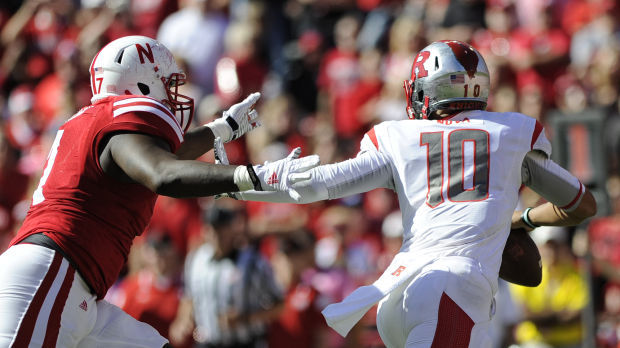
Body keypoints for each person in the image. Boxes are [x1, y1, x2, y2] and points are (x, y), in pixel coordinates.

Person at [228, 40, 597, 347]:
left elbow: (319, 184)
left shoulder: (398, 136)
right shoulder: (512, 133)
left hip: (398, 294)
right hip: (454, 291)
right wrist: (524, 219)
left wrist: (231, 183)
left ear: (428, 91)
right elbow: (581, 204)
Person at [0, 35, 319, 348]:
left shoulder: (99, 124)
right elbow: (164, 174)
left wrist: (223, 129)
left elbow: (163, 157)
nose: (173, 94)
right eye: (167, 82)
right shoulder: (118, 125)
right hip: (52, 274)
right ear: (139, 84)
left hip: (74, 286)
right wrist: (256, 175)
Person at [170, 203, 284, 348]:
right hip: (207, 343)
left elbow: (279, 304)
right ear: (205, 230)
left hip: (245, 343)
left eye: (222, 228)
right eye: (213, 228)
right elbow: (189, 296)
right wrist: (182, 320)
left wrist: (245, 319)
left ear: (233, 229)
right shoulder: (196, 260)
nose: (217, 234)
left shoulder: (254, 262)